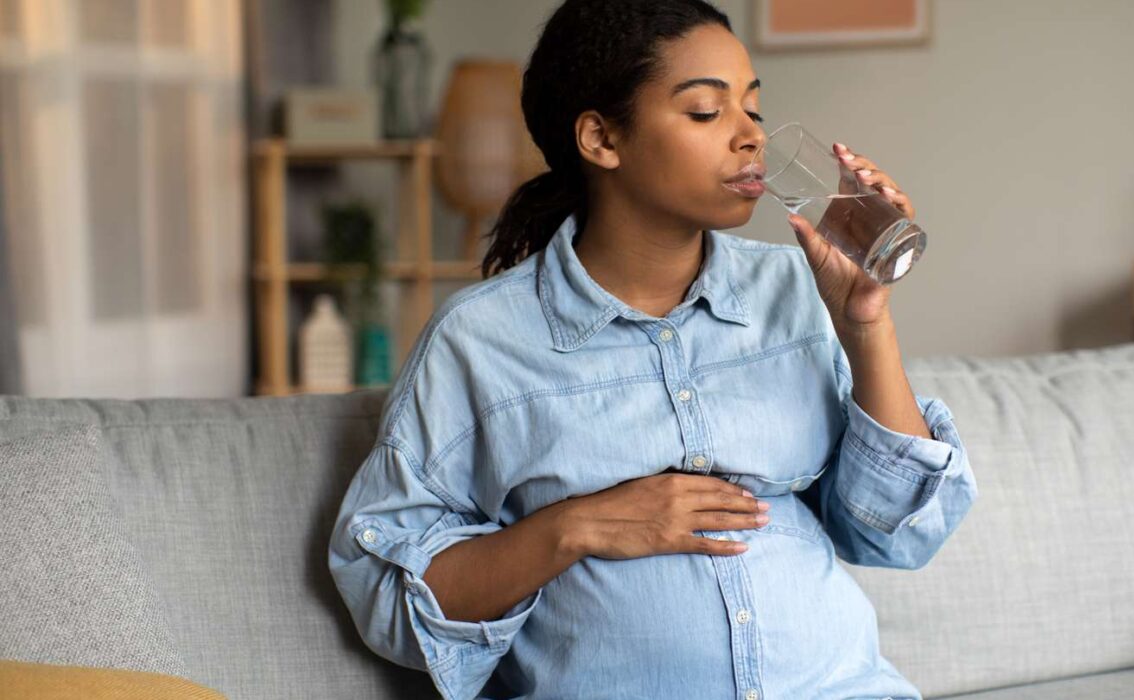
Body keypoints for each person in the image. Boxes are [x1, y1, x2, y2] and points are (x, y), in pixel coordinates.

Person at [327, 1, 977, 698]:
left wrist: (864, 323)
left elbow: (898, 533)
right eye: (705, 112)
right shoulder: (481, 341)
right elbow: (387, 591)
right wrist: (572, 527)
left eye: (754, 110)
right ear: (602, 139)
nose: (750, 137)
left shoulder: (797, 289)